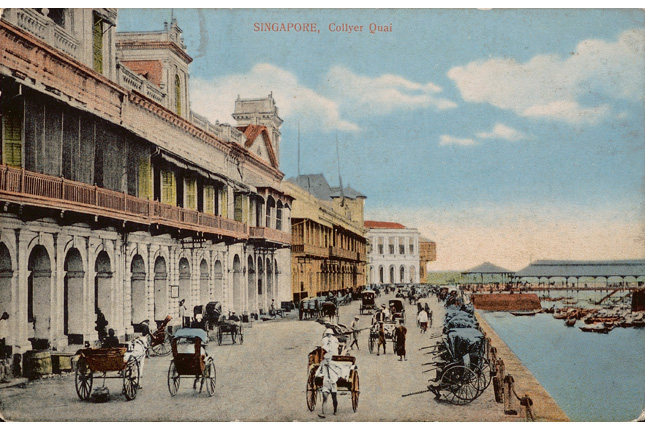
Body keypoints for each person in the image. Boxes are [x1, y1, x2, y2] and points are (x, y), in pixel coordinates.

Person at [315, 346, 341, 418]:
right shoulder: (322, 365)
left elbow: (341, 368)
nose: (327, 361)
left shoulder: (334, 364)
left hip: (333, 383)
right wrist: (319, 375)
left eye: (328, 359)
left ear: (331, 358)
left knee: (334, 398)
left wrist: (339, 375)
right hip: (326, 383)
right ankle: (323, 413)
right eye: (326, 359)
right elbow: (317, 373)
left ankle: (335, 410)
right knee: (325, 398)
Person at [124, 324, 149, 389]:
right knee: (140, 366)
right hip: (138, 354)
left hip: (129, 356)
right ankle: (138, 382)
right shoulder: (144, 340)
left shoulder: (134, 340)